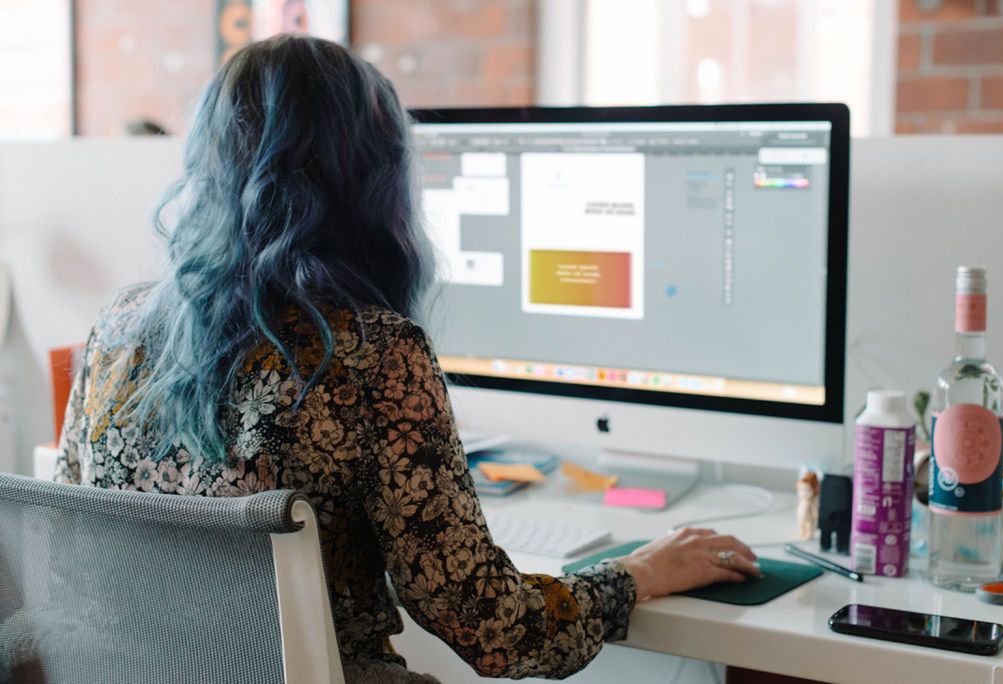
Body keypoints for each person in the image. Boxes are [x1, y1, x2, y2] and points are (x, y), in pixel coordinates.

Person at [55, 35, 761, 682]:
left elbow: (68, 556)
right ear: (370, 177)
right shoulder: (374, 358)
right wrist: (637, 573)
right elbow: (495, 630)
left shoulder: (118, 328)